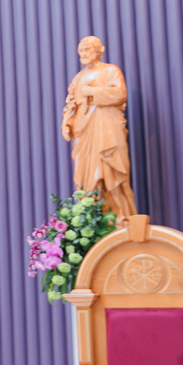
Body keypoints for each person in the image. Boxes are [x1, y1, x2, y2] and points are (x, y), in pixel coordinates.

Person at [61, 35, 137, 224]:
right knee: (85, 177)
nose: (83, 54)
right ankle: (92, 220)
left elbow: (119, 94)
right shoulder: (78, 78)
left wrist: (93, 92)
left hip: (107, 130)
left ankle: (122, 217)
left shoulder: (110, 71)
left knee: (113, 170)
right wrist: (67, 123)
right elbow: (71, 104)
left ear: (98, 51)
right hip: (84, 133)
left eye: (87, 50)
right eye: (81, 51)